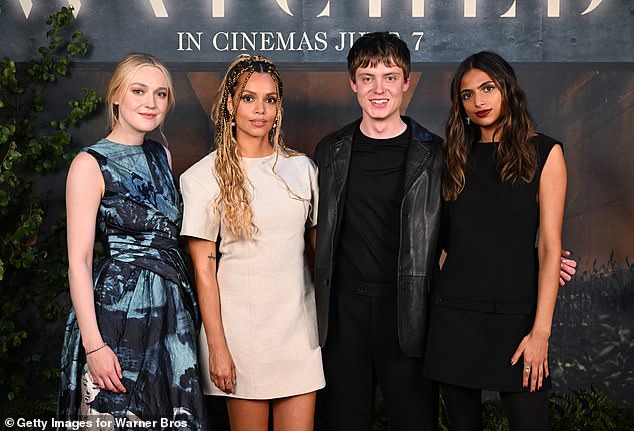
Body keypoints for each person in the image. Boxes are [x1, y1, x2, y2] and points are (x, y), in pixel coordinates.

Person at [312, 33, 576, 431]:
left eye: (389, 76)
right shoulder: (336, 151)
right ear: (353, 83)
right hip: (384, 315)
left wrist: (545, 266)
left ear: (407, 81)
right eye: (367, 77)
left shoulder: (435, 152)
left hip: (430, 311)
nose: (378, 88)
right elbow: (315, 230)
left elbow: (493, 233)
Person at [58, 53, 205, 428]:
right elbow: (79, 262)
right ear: (117, 97)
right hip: (119, 312)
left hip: (172, 312)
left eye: (160, 94)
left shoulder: (162, 154)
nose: (150, 103)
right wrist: (94, 344)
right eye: (139, 91)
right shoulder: (90, 163)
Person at [423, 51, 567, 431]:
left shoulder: (545, 153)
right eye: (467, 95)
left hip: (518, 320)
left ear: (507, 88)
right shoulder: (452, 155)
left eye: (487, 88)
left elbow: (551, 245)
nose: (478, 102)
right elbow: (436, 238)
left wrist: (541, 332)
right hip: (454, 318)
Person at [180, 54, 324, 431]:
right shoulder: (203, 177)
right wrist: (218, 348)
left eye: (270, 99)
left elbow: (319, 254)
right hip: (241, 337)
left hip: (299, 333)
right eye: (248, 98)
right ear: (230, 103)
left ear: (279, 106)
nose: (260, 109)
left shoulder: (302, 169)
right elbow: (203, 271)